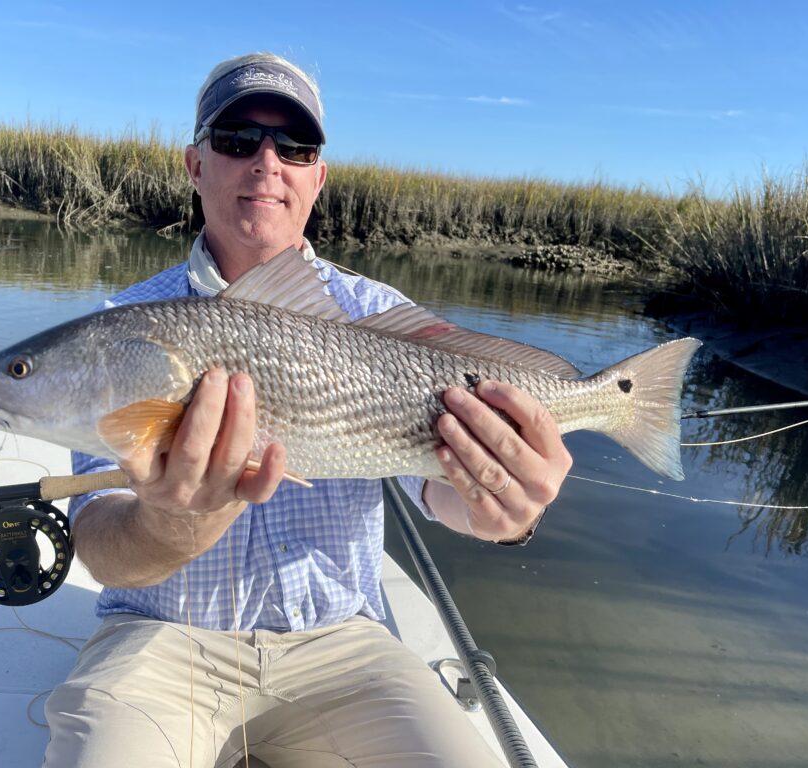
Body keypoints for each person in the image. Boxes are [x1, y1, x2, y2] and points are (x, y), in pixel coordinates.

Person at [43, 52, 572, 768]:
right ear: (195, 165)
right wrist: (171, 521)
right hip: (162, 637)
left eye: (295, 146)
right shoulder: (120, 327)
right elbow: (102, 546)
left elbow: (440, 484)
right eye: (236, 139)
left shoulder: (376, 314)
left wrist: (505, 511)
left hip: (343, 647)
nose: (268, 162)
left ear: (317, 176)